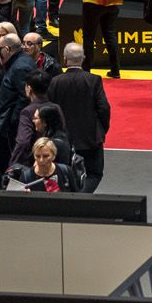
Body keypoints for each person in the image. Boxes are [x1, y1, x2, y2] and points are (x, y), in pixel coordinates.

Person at [49, 43, 112, 192]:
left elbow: (50, 109)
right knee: (94, 173)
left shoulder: (55, 81)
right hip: (90, 137)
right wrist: (101, 129)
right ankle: (82, 197)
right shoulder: (93, 80)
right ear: (83, 58)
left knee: (64, 173)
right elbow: (104, 108)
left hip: (63, 139)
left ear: (64, 59)